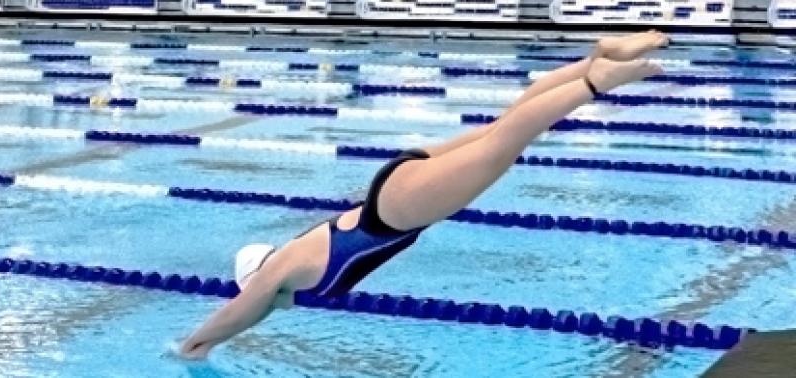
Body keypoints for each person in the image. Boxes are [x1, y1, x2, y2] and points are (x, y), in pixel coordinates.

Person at [180, 31, 668, 359]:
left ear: (255, 277)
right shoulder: (293, 264)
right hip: (395, 189)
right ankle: (599, 56)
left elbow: (237, 313)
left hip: (398, 209)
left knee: (505, 141)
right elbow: (261, 303)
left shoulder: (281, 272)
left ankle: (593, 80)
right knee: (502, 126)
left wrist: (192, 347)